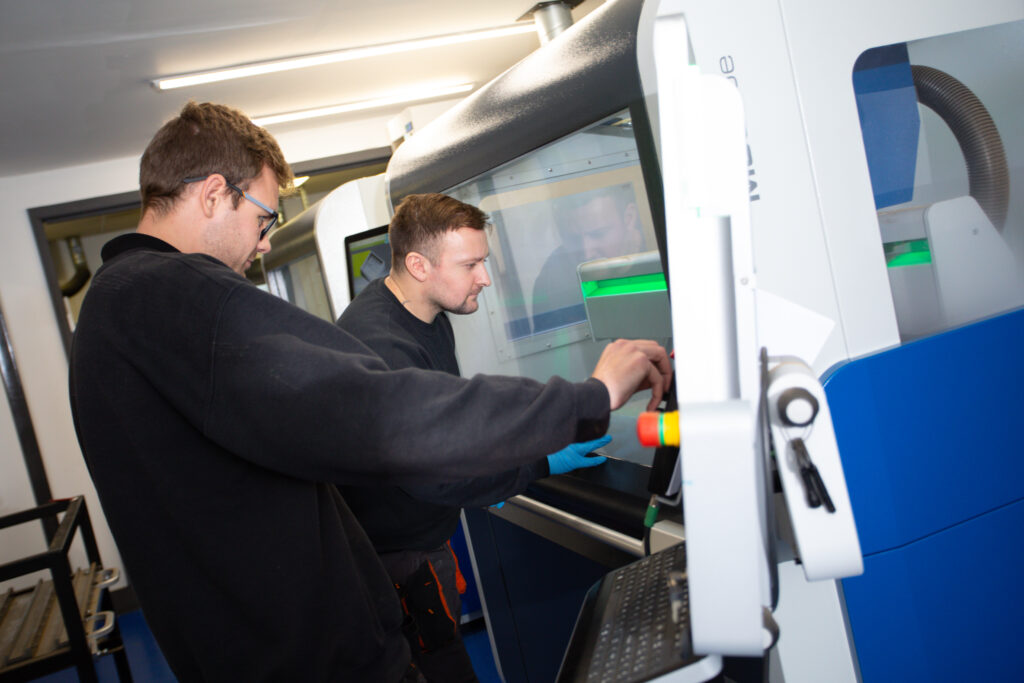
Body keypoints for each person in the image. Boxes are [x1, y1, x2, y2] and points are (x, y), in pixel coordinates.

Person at [68, 100, 673, 683]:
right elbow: (387, 415)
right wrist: (588, 398)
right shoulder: (176, 298)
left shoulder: (111, 311)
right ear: (212, 195)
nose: (266, 243)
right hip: (309, 659)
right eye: (263, 217)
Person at [337, 193, 612, 682]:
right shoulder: (382, 344)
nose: (484, 278)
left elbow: (451, 419)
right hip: (399, 563)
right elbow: (435, 476)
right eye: (471, 264)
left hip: (421, 539)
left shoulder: (428, 315)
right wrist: (540, 463)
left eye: (484, 261)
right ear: (419, 265)